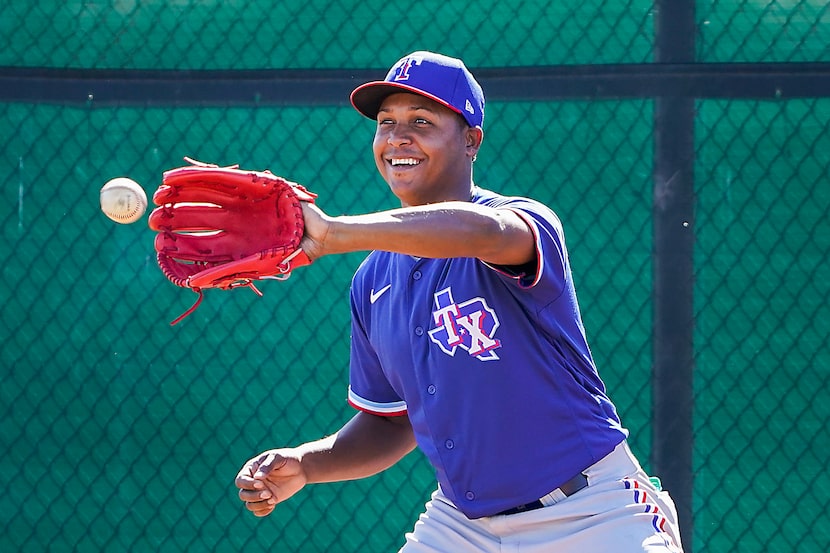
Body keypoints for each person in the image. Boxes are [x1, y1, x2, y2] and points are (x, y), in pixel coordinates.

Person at [234, 51, 684, 552]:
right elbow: (390, 419)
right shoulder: (372, 280)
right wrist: (306, 463)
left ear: (471, 140)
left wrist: (338, 232)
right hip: (462, 526)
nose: (398, 138)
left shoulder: (519, 222)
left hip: (590, 514)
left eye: (422, 122)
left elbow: (482, 233)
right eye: (387, 123)